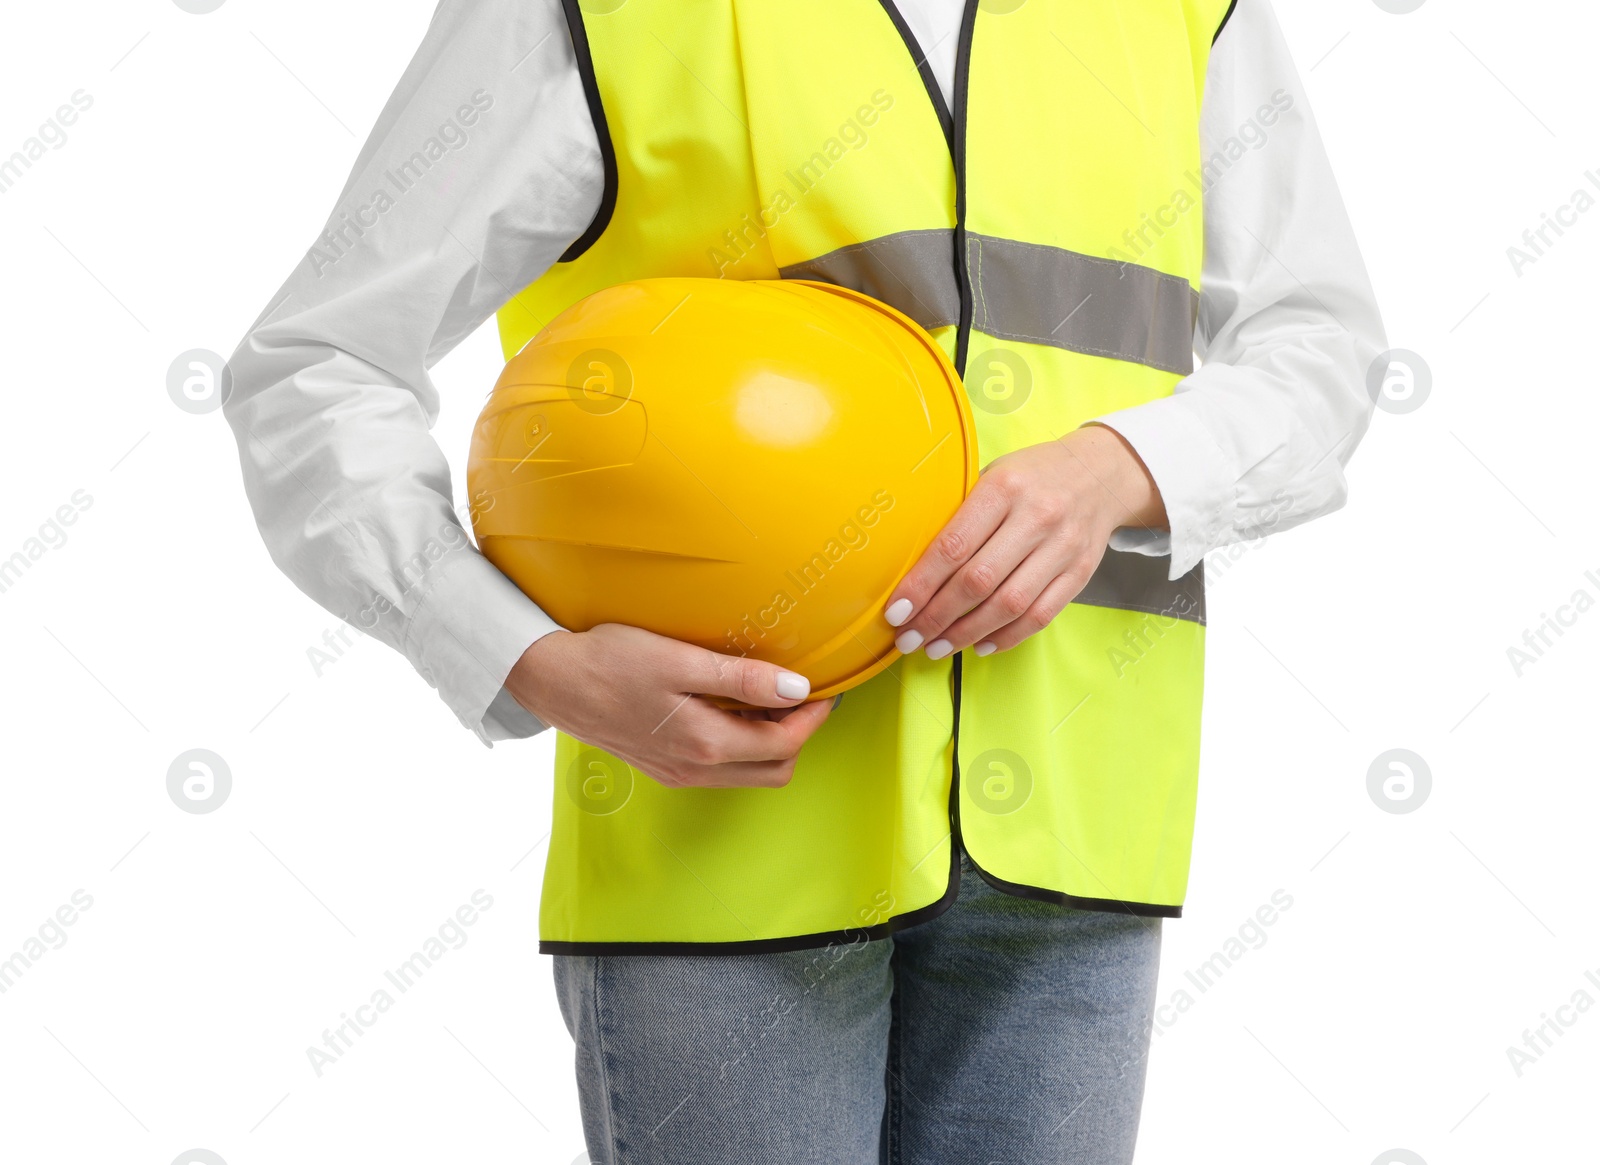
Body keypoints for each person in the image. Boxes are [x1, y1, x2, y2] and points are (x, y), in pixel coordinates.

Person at [224, 0, 1384, 1160]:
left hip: (1075, 840)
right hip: (722, 843)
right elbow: (319, 363)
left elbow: (1319, 346)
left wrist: (1122, 467)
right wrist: (522, 660)